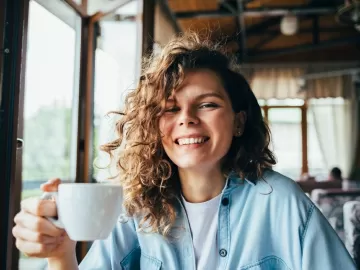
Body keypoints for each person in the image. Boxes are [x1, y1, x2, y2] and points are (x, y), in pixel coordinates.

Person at [12, 33, 356, 270]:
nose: (187, 120)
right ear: (153, 125)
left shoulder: (282, 201)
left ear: (238, 122)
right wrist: (60, 254)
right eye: (170, 109)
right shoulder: (135, 210)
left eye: (207, 104)